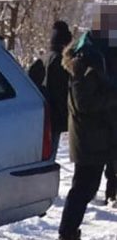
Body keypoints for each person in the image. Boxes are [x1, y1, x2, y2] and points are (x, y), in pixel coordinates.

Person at [55, 5, 117, 240]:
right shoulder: (85, 58)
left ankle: (69, 235)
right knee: (83, 188)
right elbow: (84, 102)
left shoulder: (102, 55)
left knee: (87, 188)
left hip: (100, 134)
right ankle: (65, 238)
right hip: (89, 136)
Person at [44, 20, 73, 159]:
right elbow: (61, 92)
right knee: (50, 156)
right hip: (54, 117)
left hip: (41, 115)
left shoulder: (44, 59)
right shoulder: (59, 62)